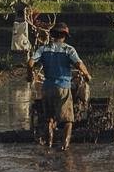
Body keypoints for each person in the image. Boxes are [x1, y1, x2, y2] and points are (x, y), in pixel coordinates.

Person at [29, 22, 91, 151]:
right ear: (64, 36)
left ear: (52, 35)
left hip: (47, 88)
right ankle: (64, 147)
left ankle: (49, 145)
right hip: (62, 87)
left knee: (49, 119)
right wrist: (87, 75)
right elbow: (79, 64)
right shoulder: (68, 49)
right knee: (68, 120)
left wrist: (29, 75)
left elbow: (30, 62)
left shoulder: (43, 49)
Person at [9, 1, 32, 66]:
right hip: (18, 39)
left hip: (22, 38)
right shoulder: (18, 23)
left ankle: (25, 61)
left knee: (24, 47)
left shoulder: (24, 23)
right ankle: (19, 62)